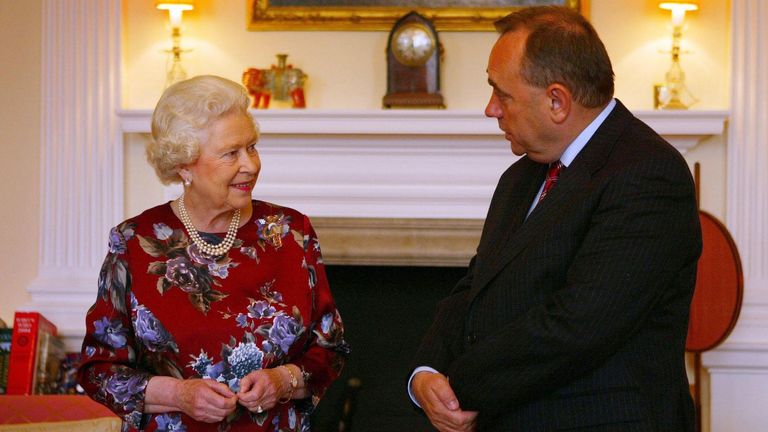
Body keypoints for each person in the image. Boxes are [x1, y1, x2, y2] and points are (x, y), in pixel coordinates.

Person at [408, 6, 701, 432]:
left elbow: (580, 325)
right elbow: (476, 287)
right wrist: (426, 373)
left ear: (557, 101)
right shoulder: (522, 176)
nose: (491, 109)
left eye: (501, 93)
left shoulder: (648, 173)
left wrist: (461, 386)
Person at [78, 75, 349, 431]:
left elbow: (331, 348)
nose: (250, 165)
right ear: (184, 165)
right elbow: (98, 371)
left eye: (251, 147)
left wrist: (283, 381)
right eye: (230, 153)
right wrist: (179, 395)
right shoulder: (133, 242)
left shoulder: (290, 232)